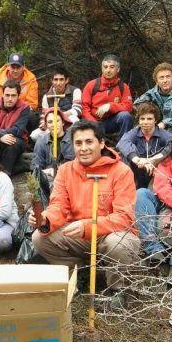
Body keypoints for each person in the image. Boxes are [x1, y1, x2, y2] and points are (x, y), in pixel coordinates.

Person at [30, 120, 140, 304]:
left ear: (102, 143)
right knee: (40, 238)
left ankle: (119, 291)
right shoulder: (65, 171)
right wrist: (45, 220)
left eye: (89, 142)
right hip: (78, 235)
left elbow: (124, 217)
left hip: (110, 233)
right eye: (78, 143)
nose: (84, 148)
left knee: (119, 243)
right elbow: (58, 206)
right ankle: (79, 273)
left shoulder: (122, 171)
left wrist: (88, 226)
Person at [117, 102, 172, 188]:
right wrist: (137, 160)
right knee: (124, 154)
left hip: (156, 174)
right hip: (136, 172)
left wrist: (155, 158)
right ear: (138, 120)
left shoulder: (163, 134)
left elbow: (171, 143)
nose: (145, 122)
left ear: (155, 120)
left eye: (149, 119)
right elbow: (122, 143)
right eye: (142, 119)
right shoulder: (134, 132)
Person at [0, 53, 39, 133]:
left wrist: (16, 113)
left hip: (19, 115)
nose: (15, 71)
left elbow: (32, 104)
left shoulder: (31, 80)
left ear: (23, 67)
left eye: (18, 67)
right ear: (7, 66)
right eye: (13, 67)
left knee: (33, 117)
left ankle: (28, 142)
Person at [81, 54, 133, 140]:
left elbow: (129, 106)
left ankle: (123, 145)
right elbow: (84, 108)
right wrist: (93, 122)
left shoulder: (123, 87)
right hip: (94, 121)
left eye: (112, 67)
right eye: (105, 67)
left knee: (126, 116)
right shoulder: (92, 85)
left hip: (112, 122)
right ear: (102, 69)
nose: (108, 70)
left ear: (118, 69)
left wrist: (110, 106)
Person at [135, 155, 172, 269]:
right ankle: (154, 251)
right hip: (164, 204)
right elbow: (162, 187)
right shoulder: (168, 161)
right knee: (141, 194)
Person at [0, 80, 30, 175]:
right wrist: (0, 137)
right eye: (7, 95)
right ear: (3, 94)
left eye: (13, 95)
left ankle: (5, 175)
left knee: (12, 144)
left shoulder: (24, 108)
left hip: (17, 140)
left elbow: (17, 130)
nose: (10, 99)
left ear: (18, 96)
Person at [31, 66, 82, 142]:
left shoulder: (75, 91)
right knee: (34, 135)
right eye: (56, 80)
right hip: (52, 124)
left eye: (61, 79)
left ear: (67, 80)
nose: (58, 83)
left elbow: (77, 110)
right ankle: (51, 148)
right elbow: (44, 115)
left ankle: (66, 145)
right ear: (52, 80)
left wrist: (61, 116)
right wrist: (43, 123)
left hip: (68, 122)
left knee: (75, 120)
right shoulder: (46, 97)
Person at [30, 109, 75, 177]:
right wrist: (47, 172)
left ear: (63, 122)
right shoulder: (41, 142)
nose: (54, 125)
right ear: (46, 125)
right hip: (49, 179)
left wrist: (56, 170)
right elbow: (36, 168)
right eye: (50, 122)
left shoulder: (73, 140)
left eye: (57, 121)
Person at [134, 62, 172, 130]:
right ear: (156, 81)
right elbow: (136, 105)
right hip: (154, 129)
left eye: (168, 76)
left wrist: (165, 123)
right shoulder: (150, 95)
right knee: (134, 133)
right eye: (161, 77)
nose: (165, 80)